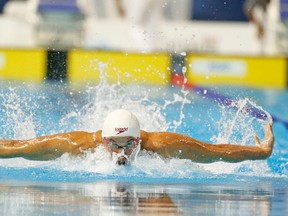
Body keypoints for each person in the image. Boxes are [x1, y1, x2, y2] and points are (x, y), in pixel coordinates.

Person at [0, 109, 274, 165]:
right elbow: (20, 147)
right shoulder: (79, 144)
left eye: (128, 144)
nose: (121, 152)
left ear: (139, 141)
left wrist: (261, 152)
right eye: (114, 145)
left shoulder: (163, 145)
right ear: (104, 140)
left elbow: (216, 151)